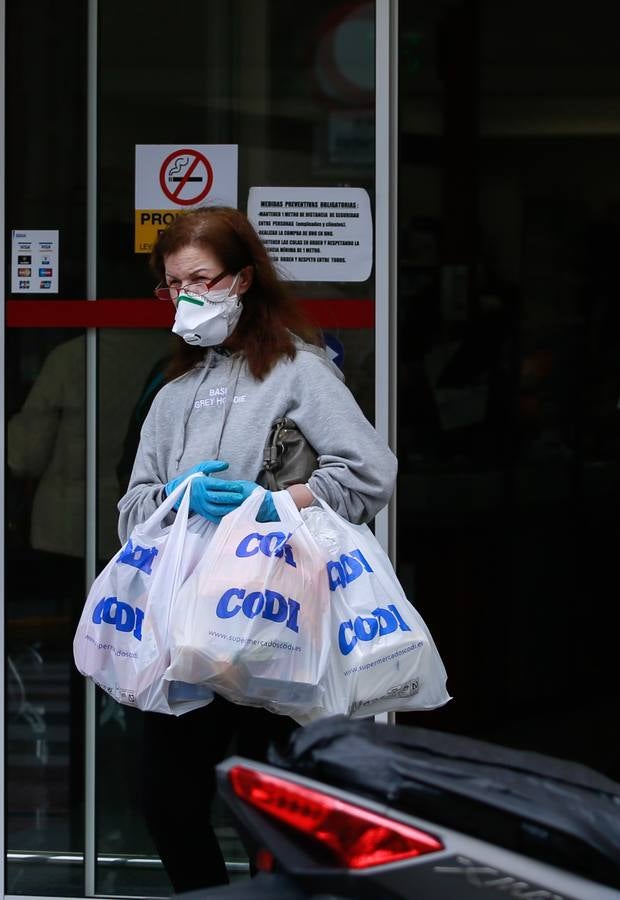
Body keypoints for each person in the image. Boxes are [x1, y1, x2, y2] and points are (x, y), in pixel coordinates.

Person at [117, 206, 397, 892]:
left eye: (202, 281)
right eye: (173, 285)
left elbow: (369, 473)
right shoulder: (172, 392)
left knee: (273, 809)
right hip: (188, 629)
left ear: (243, 280)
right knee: (167, 799)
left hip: (279, 617)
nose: (188, 298)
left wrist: (270, 503)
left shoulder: (301, 372)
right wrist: (176, 498)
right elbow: (132, 512)